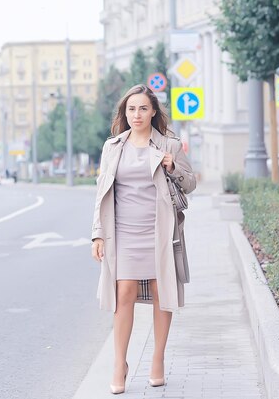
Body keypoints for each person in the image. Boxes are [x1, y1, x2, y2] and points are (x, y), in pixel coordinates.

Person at [90, 84, 196, 395]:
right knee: (124, 294)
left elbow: (190, 183)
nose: (137, 114)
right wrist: (97, 234)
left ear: (153, 112)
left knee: (163, 293)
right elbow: (101, 194)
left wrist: (172, 166)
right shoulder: (113, 147)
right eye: (131, 109)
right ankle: (119, 363)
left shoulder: (169, 146)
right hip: (122, 232)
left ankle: (157, 361)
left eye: (143, 109)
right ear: (124, 113)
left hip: (159, 230)